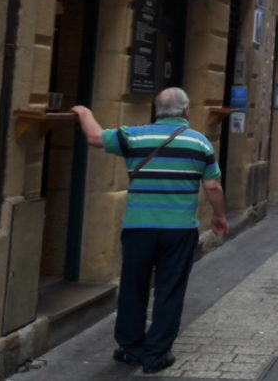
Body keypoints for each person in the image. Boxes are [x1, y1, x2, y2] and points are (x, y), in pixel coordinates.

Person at [68, 88, 227, 374]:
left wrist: (83, 111)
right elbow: (213, 186)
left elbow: (94, 137)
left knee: (133, 287)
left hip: (138, 227)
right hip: (179, 231)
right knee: (169, 290)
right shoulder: (200, 143)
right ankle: (156, 355)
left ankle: (131, 348)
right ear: (187, 111)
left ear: (156, 111)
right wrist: (219, 216)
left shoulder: (134, 136)